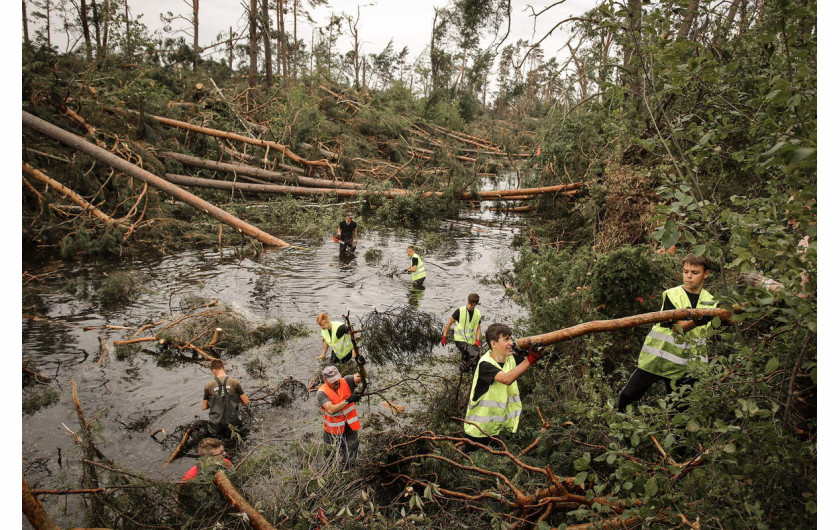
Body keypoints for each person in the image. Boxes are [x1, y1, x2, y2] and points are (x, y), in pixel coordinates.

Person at [617, 254, 718, 412]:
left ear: (706, 274)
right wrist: (699, 320)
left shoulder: (712, 301)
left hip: (686, 365)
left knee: (680, 411)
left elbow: (712, 329)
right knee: (628, 396)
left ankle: (676, 437)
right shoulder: (672, 295)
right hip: (658, 358)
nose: (688, 276)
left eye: (694, 272)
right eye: (685, 272)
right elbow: (677, 329)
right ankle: (619, 428)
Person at [463, 323, 544, 448]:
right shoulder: (485, 364)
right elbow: (506, 379)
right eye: (506, 339)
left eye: (511, 338)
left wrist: (531, 351)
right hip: (479, 431)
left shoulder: (510, 359)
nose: (511, 342)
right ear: (494, 344)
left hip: (500, 429)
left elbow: (526, 359)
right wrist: (530, 359)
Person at [317, 365, 363, 466]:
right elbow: (331, 409)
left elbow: (361, 376)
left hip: (350, 428)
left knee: (350, 460)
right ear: (325, 380)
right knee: (329, 459)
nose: (337, 382)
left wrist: (361, 367)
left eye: (337, 378)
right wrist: (348, 400)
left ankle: (348, 471)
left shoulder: (346, 381)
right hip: (332, 432)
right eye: (333, 380)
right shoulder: (322, 393)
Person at [202, 359, 250, 438]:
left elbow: (204, 407)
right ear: (223, 368)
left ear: (213, 370)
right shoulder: (235, 382)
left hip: (216, 425)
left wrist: (214, 403)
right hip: (233, 423)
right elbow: (246, 402)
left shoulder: (208, 385)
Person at [441, 293, 483, 371]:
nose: (470, 307)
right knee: (475, 356)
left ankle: (463, 369)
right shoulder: (460, 311)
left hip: (470, 341)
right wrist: (444, 337)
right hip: (459, 340)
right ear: (467, 301)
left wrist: (477, 340)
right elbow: (449, 324)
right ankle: (475, 377)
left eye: (472, 305)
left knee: (466, 359)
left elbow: (478, 328)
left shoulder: (477, 313)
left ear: (476, 304)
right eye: (469, 304)